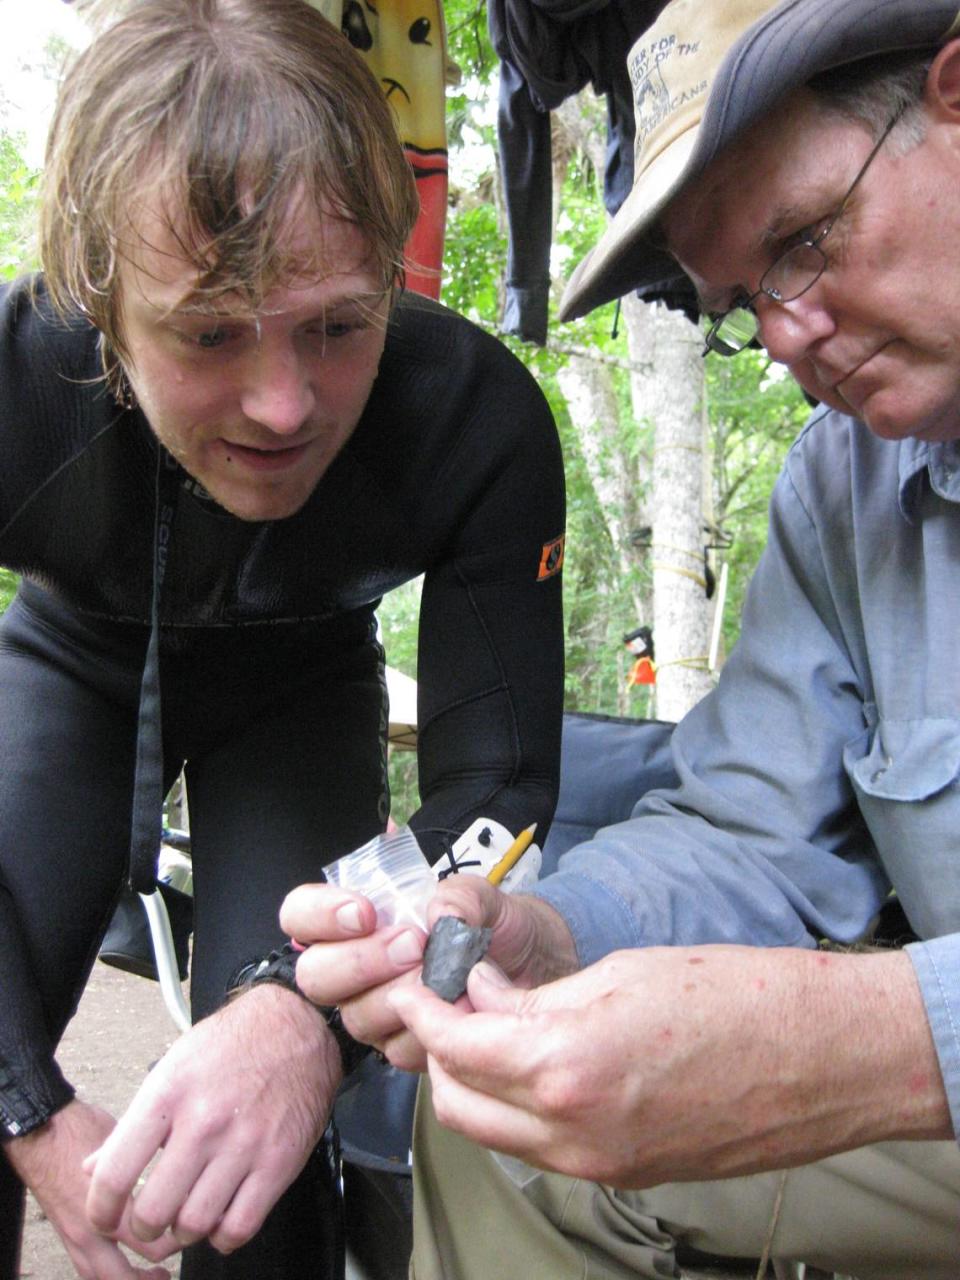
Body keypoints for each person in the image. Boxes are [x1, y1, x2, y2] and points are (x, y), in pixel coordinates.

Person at [282, 1, 960, 1276]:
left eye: (804, 242)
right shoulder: (842, 494)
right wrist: (550, 935)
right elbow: (751, 835)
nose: (783, 342)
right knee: (510, 1119)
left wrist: (858, 1044)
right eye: (743, 302)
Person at [0, 1, 565, 1277]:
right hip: (74, 661)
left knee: (265, 1155)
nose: (283, 404)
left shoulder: (472, 416)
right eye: (208, 331)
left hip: (304, 681)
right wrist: (29, 1107)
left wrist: (295, 1011)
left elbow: (500, 789)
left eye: (337, 323)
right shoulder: (15, 383)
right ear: (99, 304)